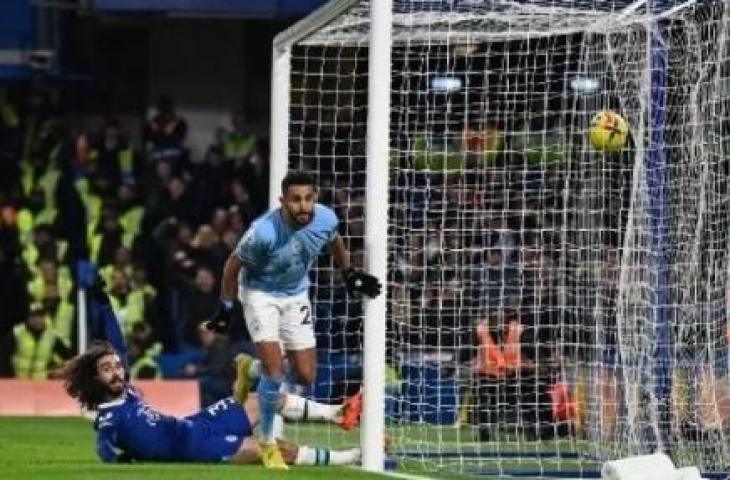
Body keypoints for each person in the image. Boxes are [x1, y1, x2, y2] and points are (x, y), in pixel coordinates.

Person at [205, 170, 381, 469]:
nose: (303, 206)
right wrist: (225, 308)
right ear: (282, 201)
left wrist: (349, 273)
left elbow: (335, 243)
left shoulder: (325, 218)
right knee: (276, 374)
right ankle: (268, 443)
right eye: (295, 200)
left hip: (296, 295)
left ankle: (250, 368)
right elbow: (232, 266)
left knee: (306, 375)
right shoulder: (263, 232)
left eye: (308, 199)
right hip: (261, 296)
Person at [60, 341, 363, 466]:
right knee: (269, 447)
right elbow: (104, 446)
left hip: (196, 423)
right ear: (95, 379)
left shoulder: (128, 393)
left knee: (262, 399)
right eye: (107, 369)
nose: (116, 372)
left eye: (116, 366)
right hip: (193, 448)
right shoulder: (109, 417)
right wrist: (119, 459)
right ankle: (351, 457)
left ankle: (337, 414)